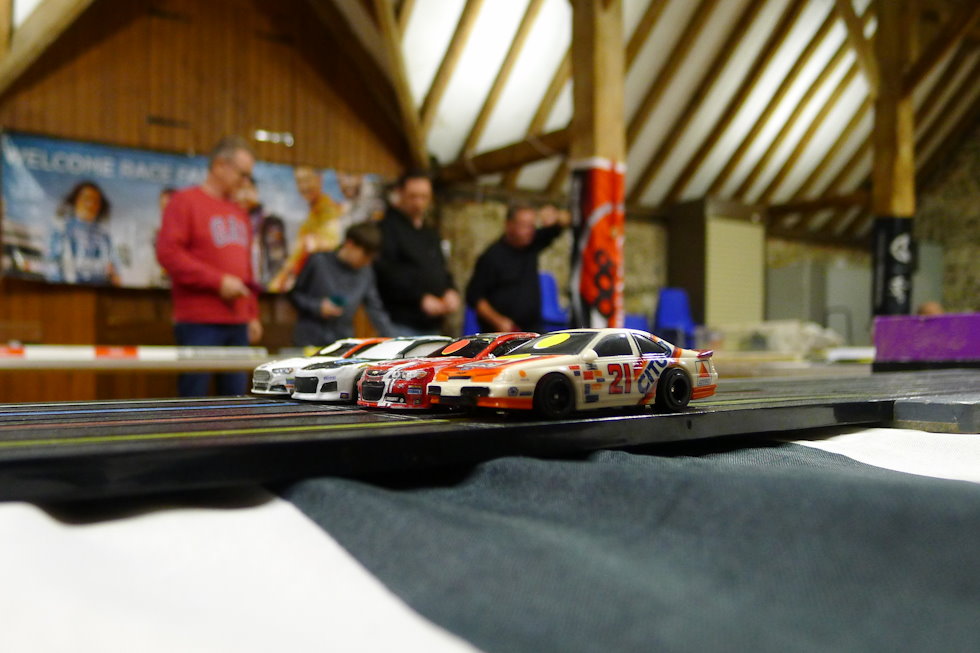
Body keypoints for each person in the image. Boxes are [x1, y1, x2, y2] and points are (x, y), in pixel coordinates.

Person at [155, 136, 262, 397]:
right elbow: (169, 253)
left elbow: (246, 269)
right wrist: (218, 281)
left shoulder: (239, 212)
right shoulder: (184, 202)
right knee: (193, 401)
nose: (245, 182)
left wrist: (251, 313)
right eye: (242, 174)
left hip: (237, 322)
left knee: (236, 401)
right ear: (219, 165)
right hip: (198, 321)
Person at [374, 171, 459, 335]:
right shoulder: (387, 228)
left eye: (424, 197)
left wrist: (450, 290)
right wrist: (419, 298)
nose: (418, 203)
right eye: (413, 196)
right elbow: (387, 273)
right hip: (401, 322)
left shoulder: (429, 231)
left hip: (433, 322)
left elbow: (441, 268)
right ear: (400, 193)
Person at [467, 204, 570, 333]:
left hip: (533, 330)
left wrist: (555, 216)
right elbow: (475, 297)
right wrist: (498, 321)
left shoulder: (532, 244)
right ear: (509, 225)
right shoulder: (492, 256)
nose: (529, 231)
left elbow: (567, 220)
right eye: (524, 225)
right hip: (501, 333)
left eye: (532, 225)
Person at [289, 222, 394, 347]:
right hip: (309, 340)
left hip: (343, 342)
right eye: (365, 255)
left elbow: (375, 309)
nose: (367, 262)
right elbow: (294, 295)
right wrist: (317, 307)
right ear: (350, 244)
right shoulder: (319, 261)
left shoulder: (366, 273)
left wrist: (394, 342)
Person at [268, 165, 342, 292]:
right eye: (299, 181)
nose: (304, 186)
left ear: (319, 178)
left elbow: (326, 243)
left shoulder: (327, 209)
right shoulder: (313, 211)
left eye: (307, 180)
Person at [49, 181, 120, 285]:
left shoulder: (104, 236)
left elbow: (114, 268)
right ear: (75, 201)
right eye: (86, 199)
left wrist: (114, 275)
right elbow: (52, 265)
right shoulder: (62, 230)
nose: (90, 204)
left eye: (95, 201)